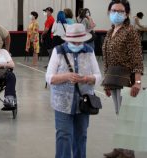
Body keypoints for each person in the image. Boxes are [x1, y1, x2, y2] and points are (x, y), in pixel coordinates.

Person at [46, 23, 101, 158]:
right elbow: (49, 78)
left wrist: (86, 78)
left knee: (81, 135)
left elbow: (98, 76)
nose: (77, 44)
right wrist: (66, 76)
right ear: (67, 39)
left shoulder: (89, 51)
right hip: (62, 103)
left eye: (79, 41)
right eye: (73, 41)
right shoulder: (58, 51)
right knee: (64, 136)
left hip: (84, 102)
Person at [102, 0, 144, 158]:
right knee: (120, 114)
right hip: (113, 78)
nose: (116, 13)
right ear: (109, 12)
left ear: (126, 14)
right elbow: (106, 58)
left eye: (120, 11)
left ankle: (128, 152)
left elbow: (137, 59)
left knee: (127, 116)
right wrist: (106, 82)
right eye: (113, 10)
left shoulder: (130, 31)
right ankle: (120, 148)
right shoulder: (110, 31)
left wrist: (137, 82)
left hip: (127, 79)